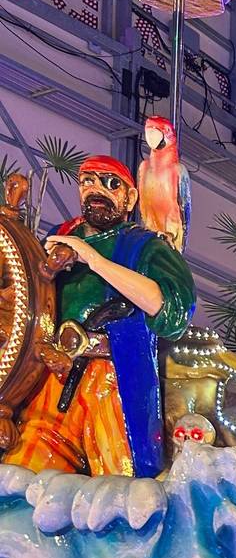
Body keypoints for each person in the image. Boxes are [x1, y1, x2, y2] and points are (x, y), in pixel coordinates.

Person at [2, 155, 195, 477]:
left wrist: (92, 259)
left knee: (118, 486)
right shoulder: (56, 240)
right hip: (49, 381)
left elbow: (172, 312)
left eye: (111, 183)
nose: (97, 190)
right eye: (87, 181)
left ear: (130, 198)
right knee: (20, 481)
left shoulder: (146, 247)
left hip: (111, 380)